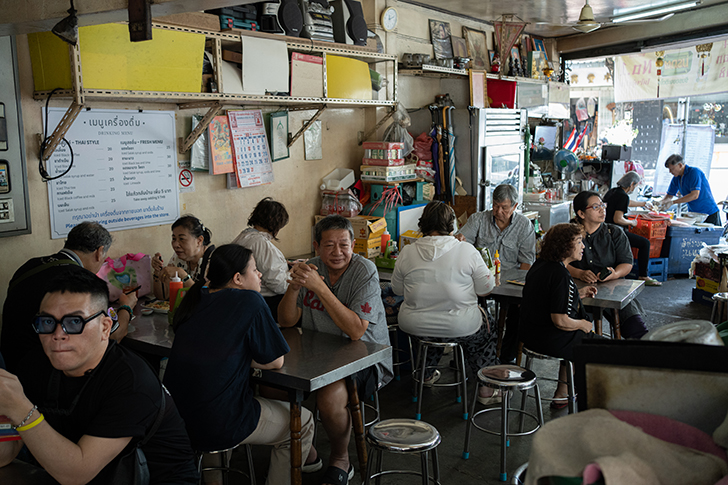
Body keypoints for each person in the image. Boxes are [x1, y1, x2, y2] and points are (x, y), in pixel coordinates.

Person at [0, 266, 198, 483]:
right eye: (47, 322)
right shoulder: (35, 365)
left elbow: (77, 474)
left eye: (74, 322)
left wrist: (20, 409)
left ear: (105, 327)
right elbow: (5, 455)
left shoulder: (131, 381)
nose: (57, 335)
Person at [164, 244, 316, 485]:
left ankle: (213, 479)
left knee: (212, 406)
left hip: (175, 418)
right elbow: (275, 361)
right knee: (304, 422)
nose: (260, 275)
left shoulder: (196, 296)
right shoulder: (249, 300)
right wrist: (241, 356)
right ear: (237, 278)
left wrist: (234, 355)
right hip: (217, 423)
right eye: (255, 270)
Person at [278, 215, 393, 485]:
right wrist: (294, 287)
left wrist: (319, 288)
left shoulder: (364, 271)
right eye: (329, 245)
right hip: (318, 356)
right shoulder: (312, 267)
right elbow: (286, 321)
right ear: (317, 246)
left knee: (329, 398)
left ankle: (341, 458)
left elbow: (356, 331)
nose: (337, 252)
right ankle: (308, 450)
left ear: (353, 245)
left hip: (364, 358)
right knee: (271, 388)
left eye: (344, 244)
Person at [392, 201, 500, 404]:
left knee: (432, 333)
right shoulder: (467, 251)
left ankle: (425, 374)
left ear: (422, 224)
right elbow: (486, 288)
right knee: (485, 332)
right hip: (459, 326)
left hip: (416, 326)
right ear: (452, 225)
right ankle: (486, 389)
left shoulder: (407, 252)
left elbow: (397, 290)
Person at [1, 221, 137, 373]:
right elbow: (114, 336)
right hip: (47, 371)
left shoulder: (29, 266)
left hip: (9, 364)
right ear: (99, 252)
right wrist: (127, 306)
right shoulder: (82, 281)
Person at [520, 223, 603, 407]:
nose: (583, 246)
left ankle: (563, 393)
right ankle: (595, 400)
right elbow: (560, 320)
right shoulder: (560, 274)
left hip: (531, 336)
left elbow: (547, 298)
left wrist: (578, 294)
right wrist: (583, 324)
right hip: (549, 339)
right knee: (603, 347)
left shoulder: (541, 265)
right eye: (579, 242)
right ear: (565, 246)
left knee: (577, 337)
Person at [455, 183, 536, 363]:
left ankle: (506, 357)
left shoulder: (524, 226)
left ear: (515, 206)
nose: (498, 211)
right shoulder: (478, 219)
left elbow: (526, 263)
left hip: (511, 283)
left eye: (504, 208)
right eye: (495, 206)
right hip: (480, 279)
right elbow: (461, 243)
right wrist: (459, 239)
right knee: (468, 308)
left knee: (518, 313)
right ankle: (470, 357)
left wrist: (520, 290)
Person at [568, 191, 648, 339]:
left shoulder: (614, 232)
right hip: (579, 291)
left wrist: (615, 274)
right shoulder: (569, 234)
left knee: (637, 330)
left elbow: (626, 263)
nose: (602, 210)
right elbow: (558, 262)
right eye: (596, 207)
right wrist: (579, 273)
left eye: (603, 205)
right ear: (581, 213)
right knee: (576, 333)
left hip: (614, 289)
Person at [232, 197, 290, 321]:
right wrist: (292, 274)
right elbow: (279, 285)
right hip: (267, 301)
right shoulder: (260, 243)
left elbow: (262, 264)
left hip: (244, 299)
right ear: (275, 222)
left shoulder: (244, 236)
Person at [603, 171, 662, 286]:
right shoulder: (623, 196)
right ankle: (643, 275)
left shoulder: (613, 192)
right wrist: (632, 222)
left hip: (604, 229)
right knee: (644, 243)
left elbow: (626, 202)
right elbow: (618, 219)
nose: (634, 188)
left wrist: (643, 203)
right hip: (615, 232)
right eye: (635, 185)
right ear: (631, 184)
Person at [152, 215, 214, 300]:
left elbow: (204, 300)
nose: (175, 245)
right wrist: (157, 271)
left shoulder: (214, 261)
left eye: (182, 239)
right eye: (174, 239)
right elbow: (163, 296)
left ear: (199, 241)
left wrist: (183, 275)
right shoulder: (178, 258)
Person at [659, 154, 720, 226]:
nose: (670, 171)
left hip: (709, 213)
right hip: (693, 214)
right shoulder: (676, 178)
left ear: (680, 165)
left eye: (672, 169)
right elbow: (669, 196)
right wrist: (660, 203)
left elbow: (694, 195)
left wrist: (673, 202)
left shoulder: (694, 172)